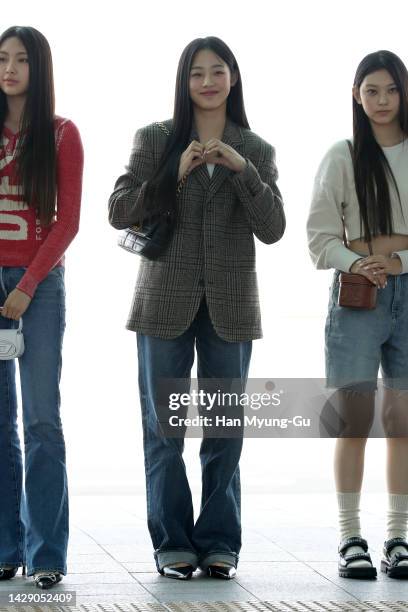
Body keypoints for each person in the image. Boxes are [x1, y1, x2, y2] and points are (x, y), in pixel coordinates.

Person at [108, 36, 285, 580]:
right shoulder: (156, 138)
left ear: (234, 78)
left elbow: (273, 229)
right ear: (184, 83)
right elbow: (119, 210)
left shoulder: (254, 149)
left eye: (217, 71)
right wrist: (173, 173)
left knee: (225, 431)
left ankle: (218, 542)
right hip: (163, 303)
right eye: (196, 73)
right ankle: (172, 543)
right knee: (164, 431)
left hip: (231, 308)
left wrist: (241, 170)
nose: (207, 82)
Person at [307, 50, 408, 580]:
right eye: (371, 90)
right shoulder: (343, 155)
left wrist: (399, 261)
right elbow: (319, 239)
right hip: (357, 294)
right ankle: (350, 537)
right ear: (356, 95)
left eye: (390, 89)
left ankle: (399, 536)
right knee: (354, 420)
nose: (382, 100)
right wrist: (360, 262)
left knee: (403, 421)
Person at [0, 26, 83, 589]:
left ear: (40, 68)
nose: (9, 68)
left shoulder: (59, 134)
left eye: (21, 59)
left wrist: (27, 284)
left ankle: (47, 553)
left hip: (40, 286)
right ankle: (7, 546)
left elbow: (67, 221)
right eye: (2, 58)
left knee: (41, 420)